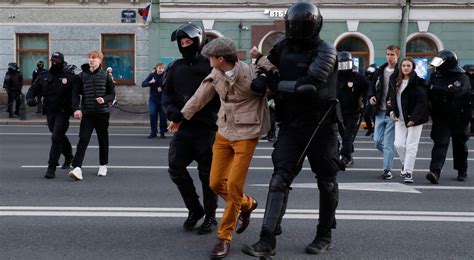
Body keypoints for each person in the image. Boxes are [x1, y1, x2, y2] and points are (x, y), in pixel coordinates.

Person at [241, 2, 342, 258]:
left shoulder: (326, 50)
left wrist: (275, 83)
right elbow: (265, 65)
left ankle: (324, 235)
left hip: (321, 125)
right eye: (292, 25)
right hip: (292, 122)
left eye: (300, 26)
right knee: (279, 178)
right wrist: (262, 78)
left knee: (326, 181)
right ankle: (267, 240)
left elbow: (309, 85)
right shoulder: (283, 46)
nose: (295, 30)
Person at [168, 37, 276, 259]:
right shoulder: (216, 73)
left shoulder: (250, 72)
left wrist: (266, 78)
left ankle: (223, 238)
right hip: (224, 131)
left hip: (247, 133)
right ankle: (248, 204)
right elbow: (200, 96)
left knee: (234, 186)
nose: (206, 59)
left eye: (210, 56)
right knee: (215, 182)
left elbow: (272, 74)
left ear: (220, 59)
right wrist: (180, 117)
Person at [161, 23, 219, 235]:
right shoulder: (175, 67)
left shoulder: (210, 66)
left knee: (208, 177)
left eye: (189, 42)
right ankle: (195, 210)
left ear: (199, 42)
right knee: (175, 168)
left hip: (207, 129)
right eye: (182, 43)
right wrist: (171, 112)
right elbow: (166, 94)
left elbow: (220, 96)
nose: (185, 46)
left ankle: (211, 216)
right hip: (184, 129)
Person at [26, 52, 75, 179]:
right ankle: (69, 156)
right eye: (53, 60)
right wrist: (30, 98)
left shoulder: (69, 77)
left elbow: (77, 93)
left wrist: (78, 108)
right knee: (57, 135)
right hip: (49, 111)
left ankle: (51, 167)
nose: (54, 62)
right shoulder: (45, 75)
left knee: (56, 137)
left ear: (62, 61)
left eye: (57, 60)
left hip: (63, 112)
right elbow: (33, 88)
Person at [68, 51, 115, 181]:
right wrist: (76, 109)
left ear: (100, 60)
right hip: (87, 113)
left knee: (103, 140)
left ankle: (103, 165)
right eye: (89, 58)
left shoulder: (106, 76)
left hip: (102, 113)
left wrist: (104, 99)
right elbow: (75, 94)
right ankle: (77, 168)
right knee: (83, 139)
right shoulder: (81, 76)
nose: (91, 60)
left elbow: (112, 94)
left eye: (94, 58)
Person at [426, 50, 471, 183]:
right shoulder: (436, 76)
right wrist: (444, 88)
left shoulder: (462, 77)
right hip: (441, 116)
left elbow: (458, 92)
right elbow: (432, 91)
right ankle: (435, 172)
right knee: (440, 144)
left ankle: (462, 171)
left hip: (460, 117)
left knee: (460, 145)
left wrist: (436, 88)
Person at [388, 57, 429, 183]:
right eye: (403, 65)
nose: (405, 68)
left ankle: (408, 173)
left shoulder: (418, 82)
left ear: (413, 67)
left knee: (411, 146)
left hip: (414, 120)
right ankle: (405, 166)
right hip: (400, 118)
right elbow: (391, 99)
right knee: (398, 144)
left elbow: (422, 103)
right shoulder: (395, 81)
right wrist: (391, 111)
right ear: (400, 67)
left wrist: (414, 119)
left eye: (408, 66)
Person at [368, 45, 400, 180]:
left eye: (392, 55)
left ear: (397, 56)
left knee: (388, 143)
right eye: (388, 54)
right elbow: (371, 86)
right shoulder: (380, 71)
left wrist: (394, 103)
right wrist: (371, 96)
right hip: (379, 111)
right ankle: (390, 154)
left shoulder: (400, 72)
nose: (389, 57)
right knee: (377, 141)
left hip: (392, 112)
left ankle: (387, 170)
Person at [336, 51, 369, 167]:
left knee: (347, 135)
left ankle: (344, 156)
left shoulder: (358, 77)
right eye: (341, 64)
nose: (344, 67)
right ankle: (349, 155)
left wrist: (366, 99)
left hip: (353, 111)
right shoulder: (335, 77)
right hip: (338, 111)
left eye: (346, 64)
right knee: (343, 133)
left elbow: (367, 88)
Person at [142, 63, 167, 139]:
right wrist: (150, 82)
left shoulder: (166, 76)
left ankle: (162, 132)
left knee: (163, 116)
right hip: (153, 99)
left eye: (162, 68)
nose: (161, 70)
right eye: (159, 68)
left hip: (163, 99)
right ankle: (153, 132)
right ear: (156, 68)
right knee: (153, 115)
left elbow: (170, 85)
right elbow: (143, 84)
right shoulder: (152, 75)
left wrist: (164, 88)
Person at [363, 63, 378, 136]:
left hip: (376, 100)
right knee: (366, 115)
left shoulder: (377, 80)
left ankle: (376, 130)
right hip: (368, 99)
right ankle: (370, 128)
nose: (369, 75)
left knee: (374, 115)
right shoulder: (367, 79)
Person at [462, 64, 474, 135]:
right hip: (465, 99)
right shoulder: (464, 78)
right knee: (466, 117)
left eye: (472, 71)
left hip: (472, 99)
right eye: (470, 71)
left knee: (472, 117)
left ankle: (472, 130)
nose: (471, 72)